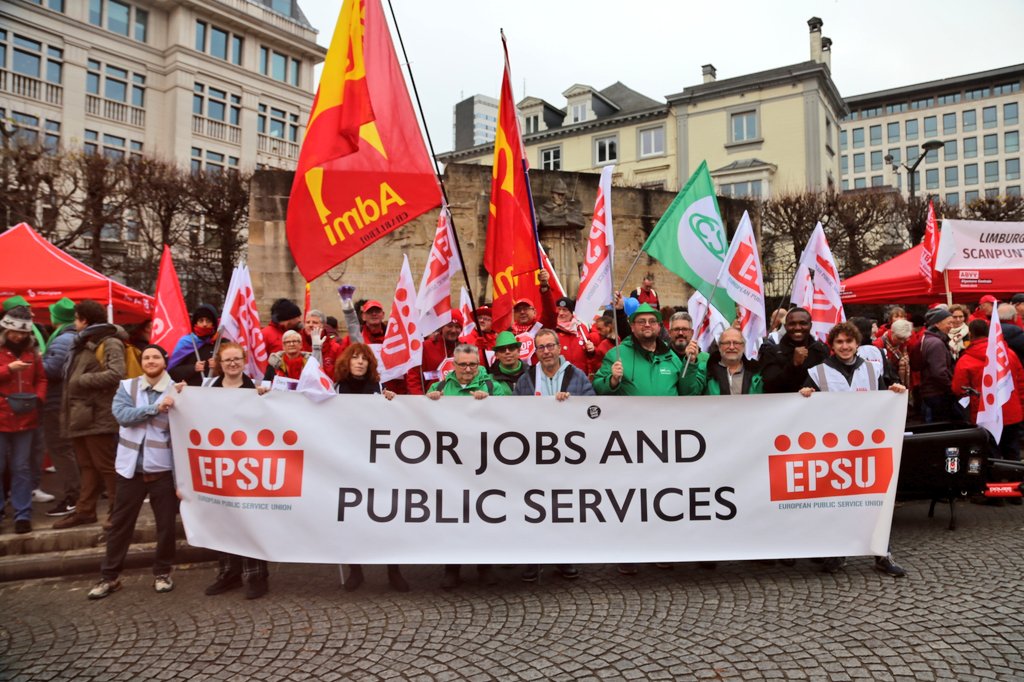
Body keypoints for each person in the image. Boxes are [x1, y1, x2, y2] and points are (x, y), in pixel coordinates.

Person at [799, 321, 908, 578]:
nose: (845, 346)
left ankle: (882, 554)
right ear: (832, 346)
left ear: (857, 344)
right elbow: (802, 409)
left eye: (849, 341)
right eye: (840, 342)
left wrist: (894, 391)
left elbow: (883, 400)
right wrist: (803, 394)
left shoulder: (871, 370)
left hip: (867, 449)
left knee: (875, 503)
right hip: (832, 451)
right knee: (835, 502)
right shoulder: (817, 372)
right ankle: (837, 552)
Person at [87, 345, 183, 599]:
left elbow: (182, 434)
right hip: (130, 470)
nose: (151, 361)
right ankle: (109, 577)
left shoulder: (179, 391)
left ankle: (162, 572)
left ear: (165, 361)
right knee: (120, 526)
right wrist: (155, 408)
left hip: (162, 470)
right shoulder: (127, 387)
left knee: (166, 527)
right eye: (147, 357)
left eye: (156, 357)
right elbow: (122, 415)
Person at [512, 328, 592, 582]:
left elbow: (592, 409)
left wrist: (573, 404)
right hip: (534, 455)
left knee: (563, 508)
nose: (546, 351)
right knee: (532, 509)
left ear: (559, 348)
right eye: (541, 347)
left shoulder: (577, 376)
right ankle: (532, 559)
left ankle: (564, 558)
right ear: (536, 352)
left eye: (550, 346)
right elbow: (514, 413)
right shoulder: (526, 379)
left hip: (567, 457)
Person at [427, 344, 509, 589]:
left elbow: (512, 416)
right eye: (462, 364)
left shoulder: (494, 387)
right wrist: (429, 401)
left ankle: (484, 567)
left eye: (472, 364)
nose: (468, 369)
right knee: (452, 520)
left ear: (479, 364)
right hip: (451, 468)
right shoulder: (439, 388)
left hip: (485, 465)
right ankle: (452, 569)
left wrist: (491, 402)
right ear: (453, 365)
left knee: (484, 518)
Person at [332, 343, 406, 592]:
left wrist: (392, 403)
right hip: (348, 461)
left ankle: (393, 570)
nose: (360, 362)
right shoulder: (336, 389)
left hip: (377, 461)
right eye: (355, 358)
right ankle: (356, 570)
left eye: (364, 359)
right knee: (351, 518)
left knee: (385, 516)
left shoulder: (379, 388)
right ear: (347, 362)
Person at [203, 342, 271, 600]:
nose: (232, 364)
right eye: (227, 360)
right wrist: (180, 393)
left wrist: (268, 400)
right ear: (220, 364)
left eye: (236, 359)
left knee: (251, 520)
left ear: (244, 361)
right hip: (221, 463)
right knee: (225, 521)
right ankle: (229, 573)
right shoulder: (208, 389)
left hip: (250, 465)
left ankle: (256, 575)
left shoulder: (255, 388)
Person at [53, 300, 127, 530]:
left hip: (99, 416)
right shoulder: (83, 342)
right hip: (82, 415)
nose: (74, 323)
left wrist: (81, 380)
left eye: (76, 318)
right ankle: (85, 511)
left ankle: (118, 511)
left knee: (106, 466)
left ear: (85, 320)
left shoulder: (109, 341)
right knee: (87, 466)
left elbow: (117, 373)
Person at [0, 307, 47, 534]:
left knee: (21, 467)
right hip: (1, 417)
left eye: (22, 333)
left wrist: (38, 397)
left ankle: (22, 514)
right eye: (12, 332)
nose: (17, 336)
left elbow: (41, 378)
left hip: (26, 417)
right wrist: (8, 369)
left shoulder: (32, 354)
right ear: (5, 329)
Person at [952, 320, 1024, 460]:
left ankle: (995, 481)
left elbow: (958, 389)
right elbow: (1021, 382)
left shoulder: (966, 359)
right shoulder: (1009, 354)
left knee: (990, 453)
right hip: (1010, 410)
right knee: (1012, 450)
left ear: (970, 334)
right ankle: (1015, 480)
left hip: (984, 413)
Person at [593, 303, 688, 397]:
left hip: (668, 412)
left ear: (659, 327)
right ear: (632, 327)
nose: (647, 325)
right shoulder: (616, 355)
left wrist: (692, 364)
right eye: (641, 321)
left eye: (652, 321)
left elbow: (687, 391)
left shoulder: (671, 356)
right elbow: (597, 387)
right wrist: (612, 381)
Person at [41, 297, 79, 516]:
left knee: (61, 449)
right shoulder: (70, 337)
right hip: (65, 400)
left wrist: (37, 363)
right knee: (69, 448)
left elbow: (53, 370)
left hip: (57, 401)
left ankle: (72, 494)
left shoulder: (62, 339)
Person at [758, 308, 829, 394]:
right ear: (785, 326)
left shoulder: (821, 350)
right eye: (792, 324)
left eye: (803, 323)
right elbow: (769, 386)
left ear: (810, 325)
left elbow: (829, 381)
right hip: (783, 405)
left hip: (816, 405)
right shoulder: (772, 352)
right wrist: (793, 365)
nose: (798, 328)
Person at [680, 327, 764, 396]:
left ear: (743, 346)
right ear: (719, 347)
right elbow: (688, 393)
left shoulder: (757, 373)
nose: (731, 347)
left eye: (736, 343)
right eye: (727, 343)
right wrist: (690, 363)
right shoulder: (706, 371)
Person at [917, 307, 957, 423]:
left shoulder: (929, 339)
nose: (951, 326)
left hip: (931, 391)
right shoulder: (936, 343)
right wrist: (950, 387)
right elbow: (939, 372)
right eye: (949, 323)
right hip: (937, 393)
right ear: (937, 324)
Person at [407, 312, 463, 394]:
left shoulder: (464, 348)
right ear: (442, 327)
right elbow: (413, 376)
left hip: (459, 399)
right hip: (431, 399)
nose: (453, 330)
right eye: (450, 326)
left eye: (457, 327)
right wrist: (418, 400)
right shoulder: (426, 347)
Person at [168, 304, 219, 386]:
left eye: (208, 321)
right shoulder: (186, 342)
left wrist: (218, 366)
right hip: (191, 393)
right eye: (201, 321)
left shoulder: (221, 343)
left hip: (217, 393)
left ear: (214, 324)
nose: (204, 324)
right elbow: (172, 372)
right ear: (195, 323)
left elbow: (234, 369)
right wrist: (193, 368)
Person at [551, 297, 595, 373]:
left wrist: (592, 350)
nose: (561, 313)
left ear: (571, 312)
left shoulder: (580, 327)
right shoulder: (551, 329)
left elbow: (589, 356)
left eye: (565, 310)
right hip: (559, 376)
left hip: (580, 375)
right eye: (559, 309)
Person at [301, 309, 340, 379]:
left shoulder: (334, 347)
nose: (310, 325)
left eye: (315, 322)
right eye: (307, 322)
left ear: (323, 325)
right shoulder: (297, 344)